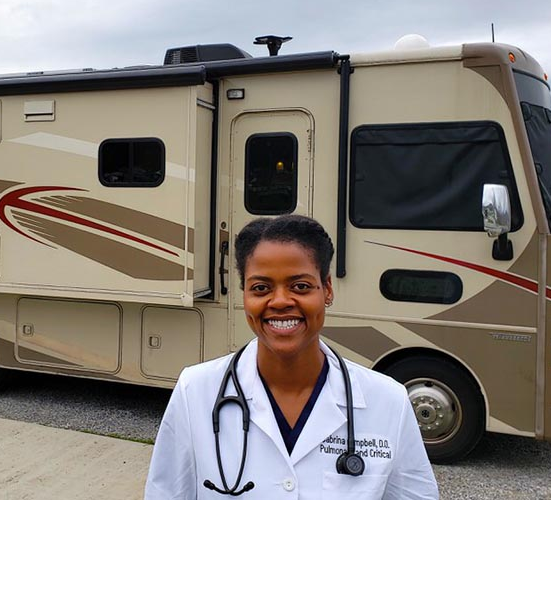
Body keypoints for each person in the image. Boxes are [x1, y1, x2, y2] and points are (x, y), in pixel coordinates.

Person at [144, 214, 439, 500]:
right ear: (244, 295)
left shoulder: (388, 402)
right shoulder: (195, 392)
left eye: (300, 286)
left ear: (327, 290)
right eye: (261, 288)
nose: (281, 301)